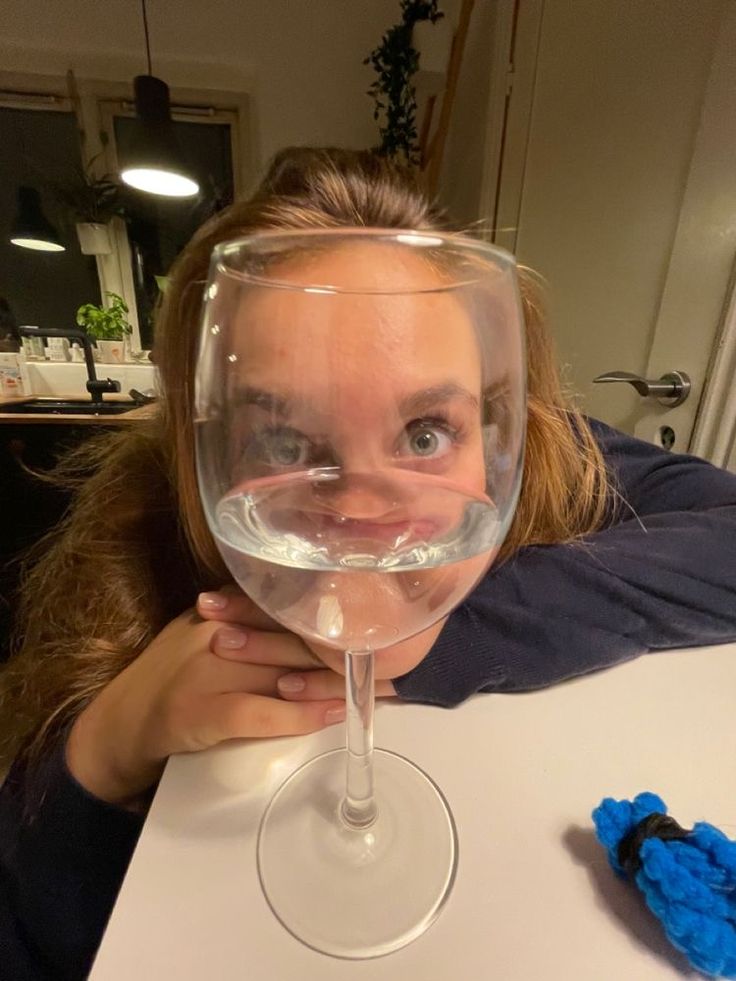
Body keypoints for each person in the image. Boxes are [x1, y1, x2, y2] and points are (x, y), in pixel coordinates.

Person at [1, 147, 735, 980]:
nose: (360, 523)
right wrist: (103, 748)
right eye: (283, 440)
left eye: (425, 432)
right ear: (200, 444)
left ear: (502, 422)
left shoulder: (545, 450)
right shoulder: (142, 534)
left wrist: (445, 633)